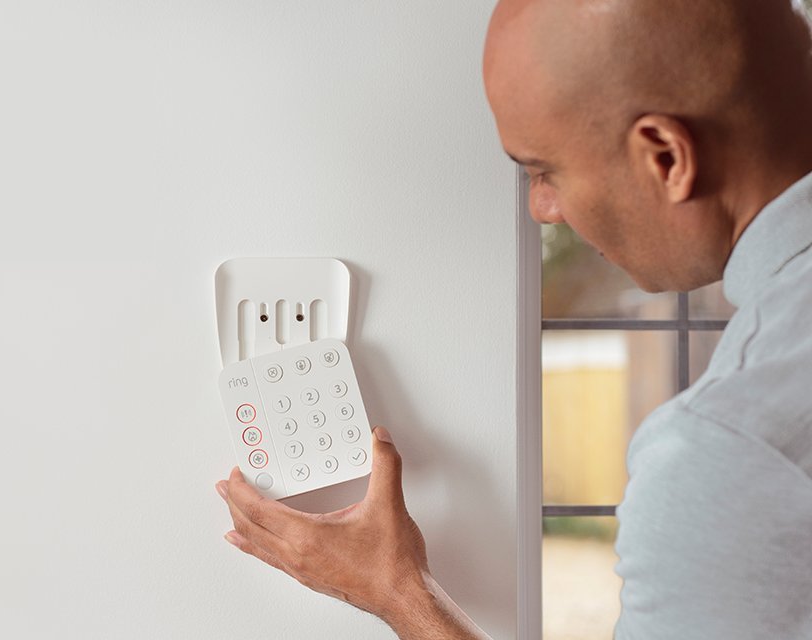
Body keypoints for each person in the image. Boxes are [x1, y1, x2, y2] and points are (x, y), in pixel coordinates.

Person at [215, 0, 812, 637]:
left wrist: (396, 592)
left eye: (544, 171)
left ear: (665, 156)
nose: (541, 208)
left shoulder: (725, 457)